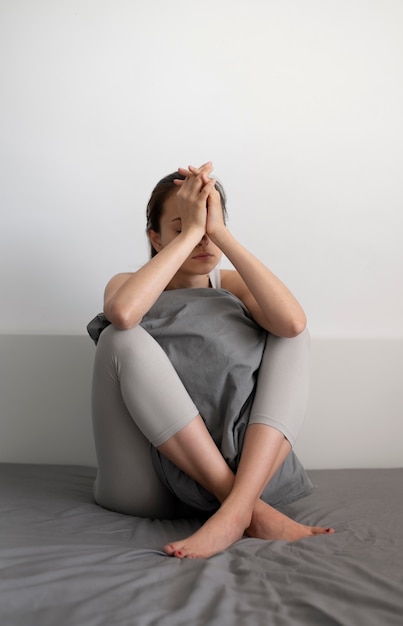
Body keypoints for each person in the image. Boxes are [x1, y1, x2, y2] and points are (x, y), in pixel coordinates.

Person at [89, 161, 334, 559]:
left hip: (249, 473)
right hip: (148, 488)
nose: (202, 240)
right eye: (182, 226)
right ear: (155, 237)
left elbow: (291, 322)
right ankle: (245, 511)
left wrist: (218, 231)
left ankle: (235, 510)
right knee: (118, 338)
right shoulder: (125, 286)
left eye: (207, 224)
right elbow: (124, 314)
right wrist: (193, 233)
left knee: (293, 335)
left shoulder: (235, 287)